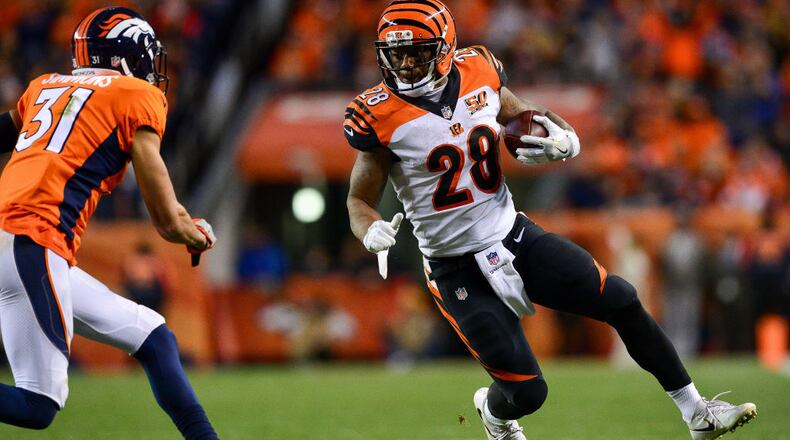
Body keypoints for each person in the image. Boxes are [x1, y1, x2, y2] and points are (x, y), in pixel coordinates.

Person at [344, 1, 756, 439]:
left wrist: (566, 136)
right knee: (527, 393)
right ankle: (494, 415)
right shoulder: (378, 114)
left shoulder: (480, 71)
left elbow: (524, 114)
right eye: (396, 53)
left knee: (621, 299)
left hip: (512, 236)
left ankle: (697, 413)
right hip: (454, 266)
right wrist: (369, 228)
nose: (406, 64)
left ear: (446, 48)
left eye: (418, 51)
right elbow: (358, 198)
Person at [0, 7, 219, 439]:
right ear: (125, 58)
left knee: (153, 335)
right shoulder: (136, 96)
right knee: (38, 404)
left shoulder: (44, 86)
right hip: (32, 239)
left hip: (24, 240)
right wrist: (195, 232)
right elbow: (165, 218)